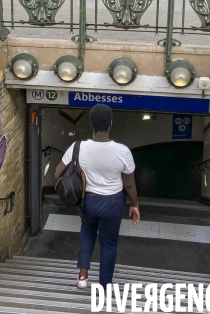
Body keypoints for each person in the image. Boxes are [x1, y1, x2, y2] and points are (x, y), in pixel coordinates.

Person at [55, 104, 140, 290]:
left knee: (87, 232)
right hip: (112, 203)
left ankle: (83, 278)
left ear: (91, 124)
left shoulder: (77, 147)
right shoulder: (123, 151)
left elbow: (58, 173)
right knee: (109, 244)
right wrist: (134, 205)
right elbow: (129, 184)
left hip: (88, 201)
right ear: (111, 124)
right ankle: (104, 287)